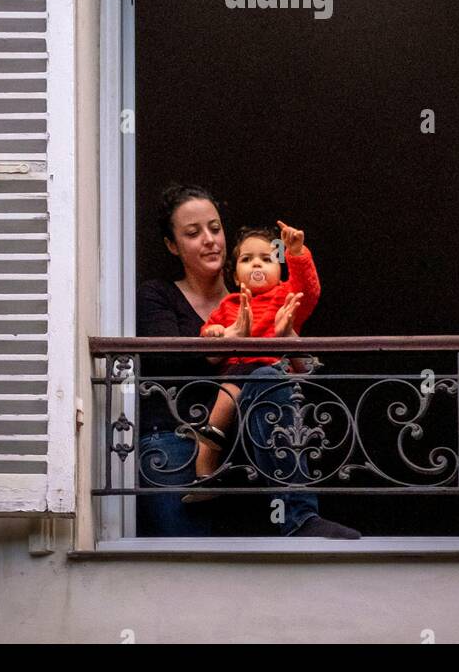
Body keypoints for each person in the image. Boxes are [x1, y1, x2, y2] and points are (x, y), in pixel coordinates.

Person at [136, 183, 359, 540]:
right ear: (172, 245)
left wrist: (288, 339)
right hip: (174, 444)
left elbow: (303, 375)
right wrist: (229, 340)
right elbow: (164, 359)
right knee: (186, 564)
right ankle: (208, 460)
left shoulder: (261, 298)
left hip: (252, 444)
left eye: (215, 227)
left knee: (270, 375)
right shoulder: (157, 295)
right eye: (193, 233)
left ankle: (300, 518)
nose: (209, 239)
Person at [190, 219, 318, 487]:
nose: (257, 264)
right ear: (236, 276)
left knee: (239, 386)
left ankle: (210, 449)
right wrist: (215, 331)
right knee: (226, 391)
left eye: (266, 259)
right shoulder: (230, 304)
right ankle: (209, 448)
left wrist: (296, 253)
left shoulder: (284, 295)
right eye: (247, 259)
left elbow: (308, 288)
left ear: (279, 270)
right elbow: (209, 332)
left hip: (274, 372)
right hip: (238, 376)